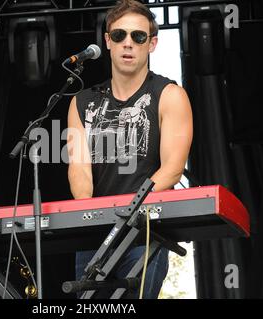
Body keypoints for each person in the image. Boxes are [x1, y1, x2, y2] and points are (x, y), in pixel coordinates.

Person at [67, 0, 193, 299]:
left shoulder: (170, 95)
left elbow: (172, 169)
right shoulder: (81, 101)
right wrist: (90, 213)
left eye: (138, 37)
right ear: (107, 41)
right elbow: (79, 168)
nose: (128, 43)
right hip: (94, 234)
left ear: (152, 44)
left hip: (145, 231)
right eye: (120, 35)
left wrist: (126, 211)